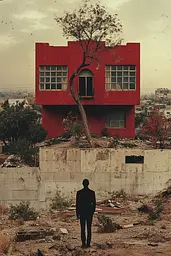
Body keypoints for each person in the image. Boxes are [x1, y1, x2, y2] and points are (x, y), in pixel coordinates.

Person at [76, 179, 96, 248]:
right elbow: (94, 204)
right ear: (88, 184)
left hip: (82, 212)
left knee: (82, 229)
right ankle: (88, 244)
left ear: (82, 184)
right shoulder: (92, 192)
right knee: (89, 228)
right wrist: (92, 212)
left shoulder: (79, 192)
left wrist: (77, 213)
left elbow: (77, 204)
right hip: (89, 213)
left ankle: (83, 244)